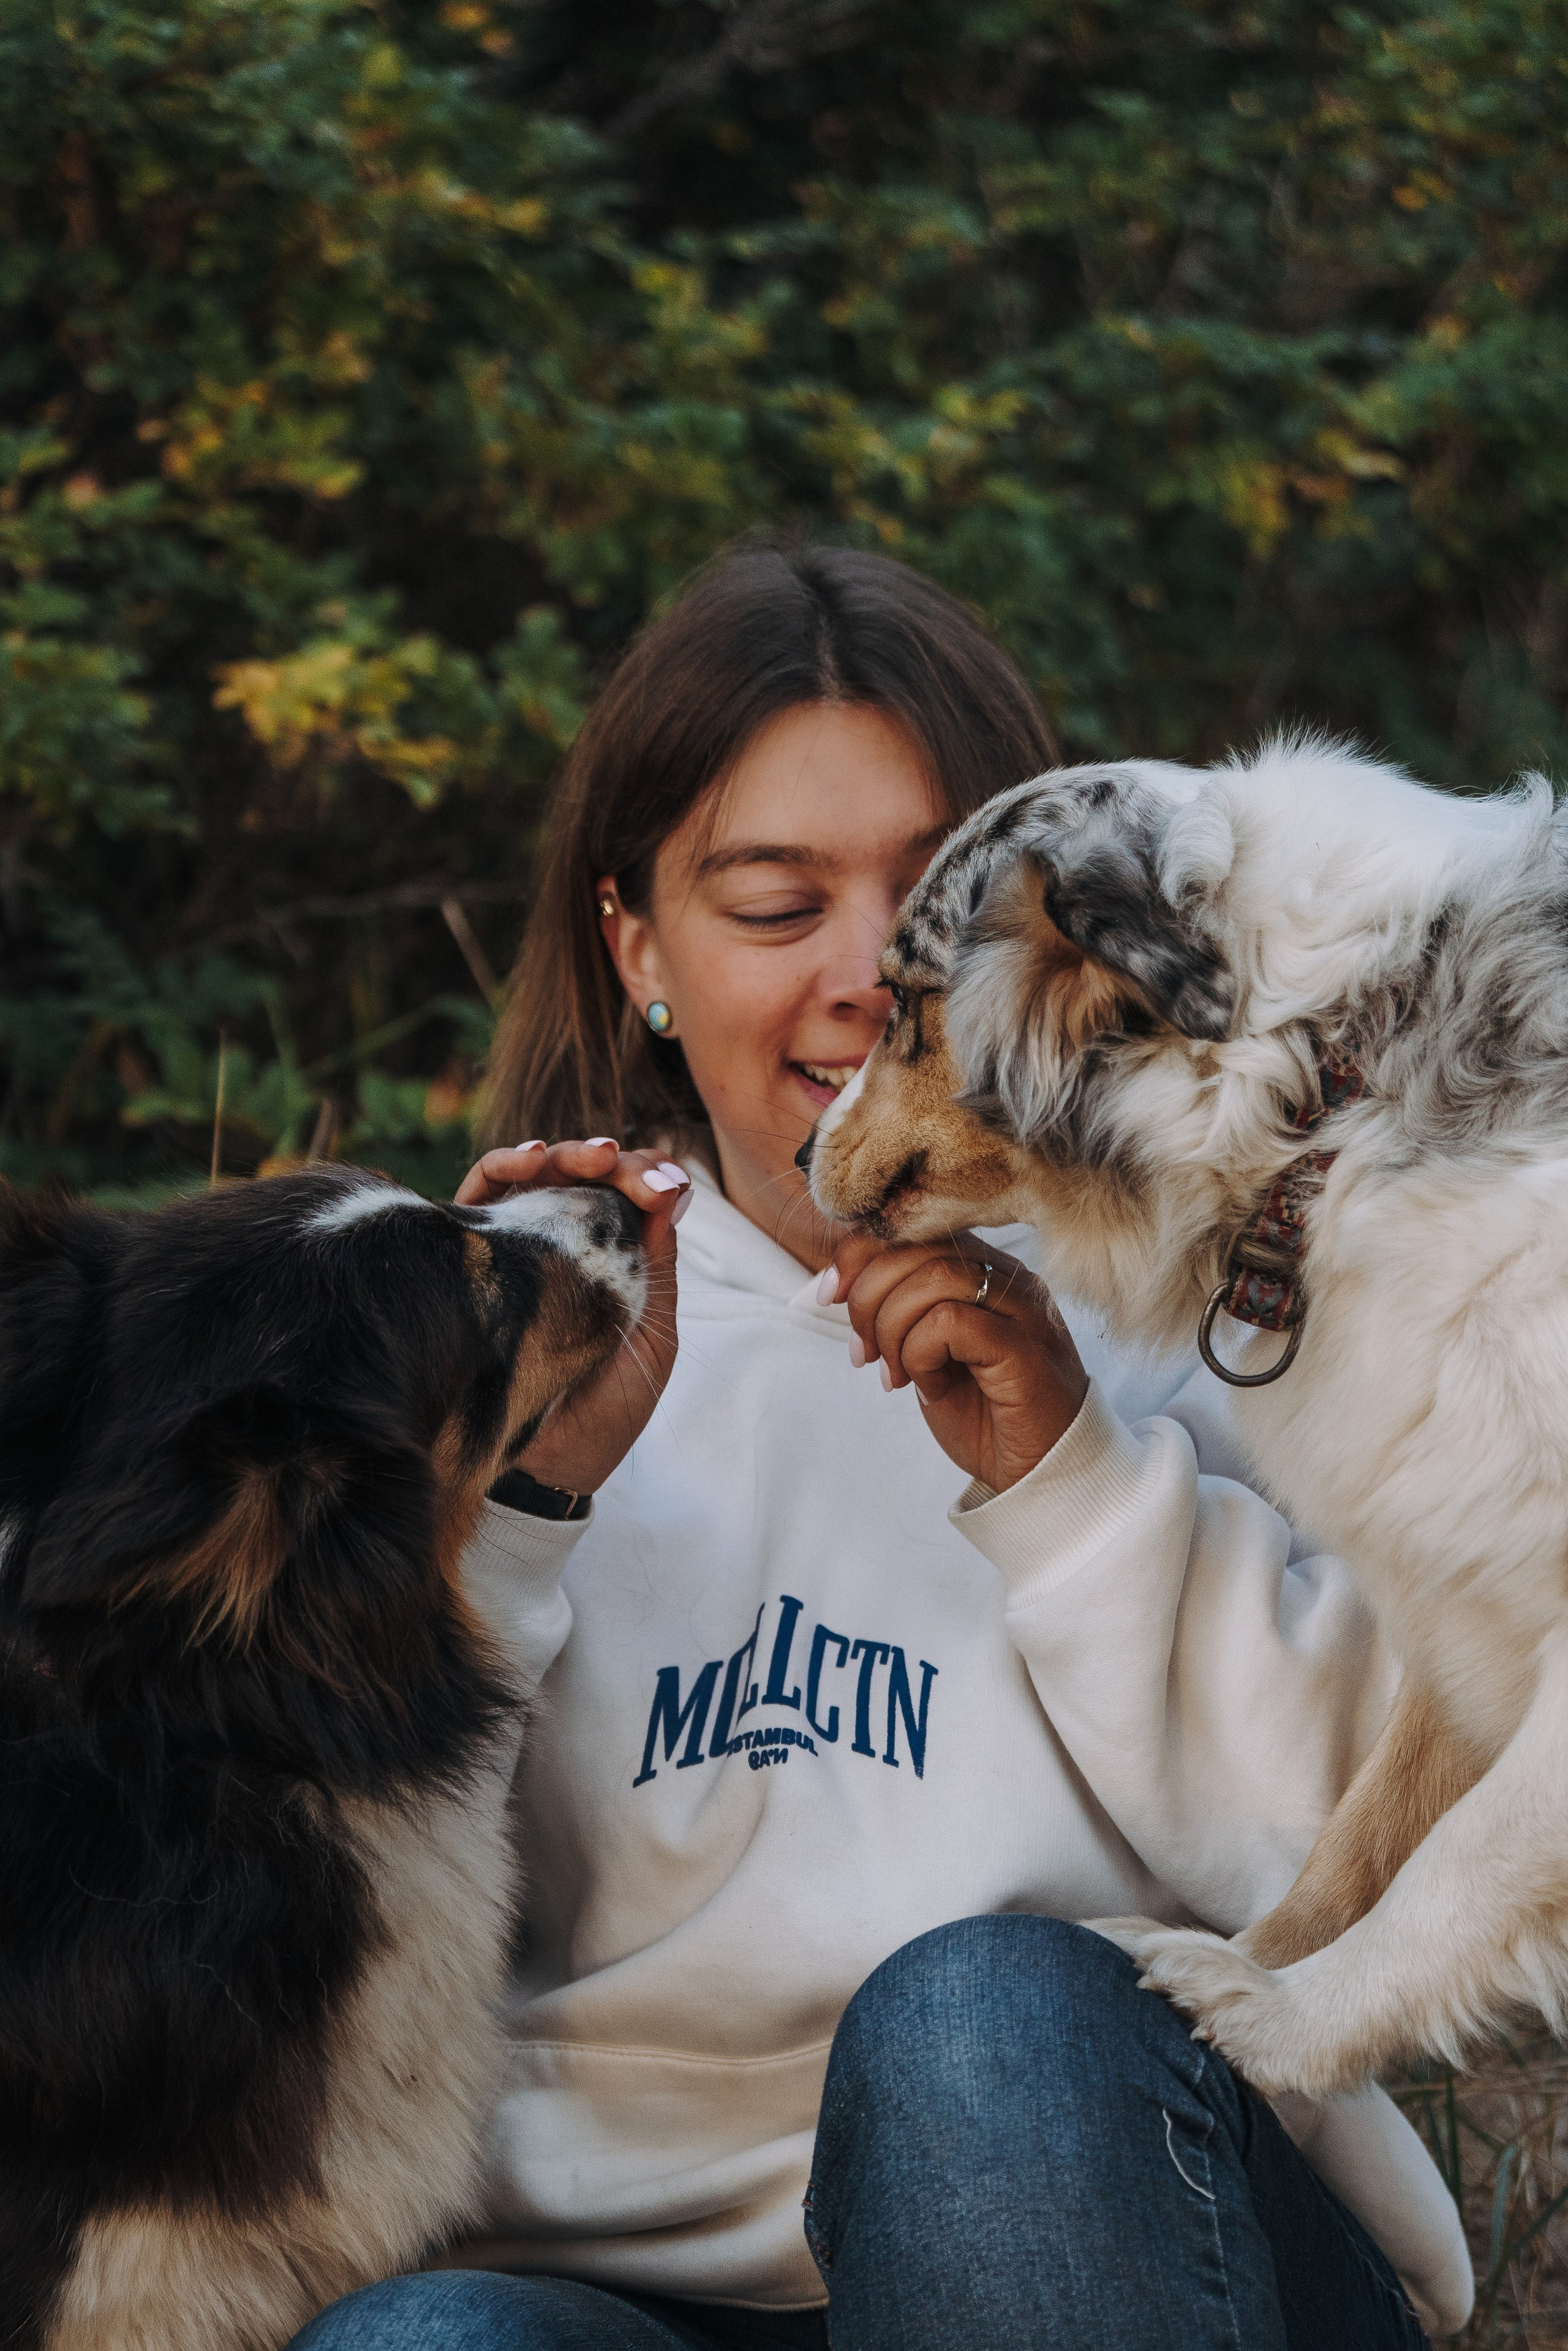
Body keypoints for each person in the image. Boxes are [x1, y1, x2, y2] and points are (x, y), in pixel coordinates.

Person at [291, 545, 1471, 2351]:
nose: (866, 981)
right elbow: (300, 1958)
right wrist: (512, 1507)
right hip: (615, 2292)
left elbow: (1379, 1874)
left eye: (939, 917)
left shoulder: (1229, 1315)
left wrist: (1076, 1478)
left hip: (1136, 2239)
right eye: (775, 908)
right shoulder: (482, 1367)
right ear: (640, 954)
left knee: (979, 2027)